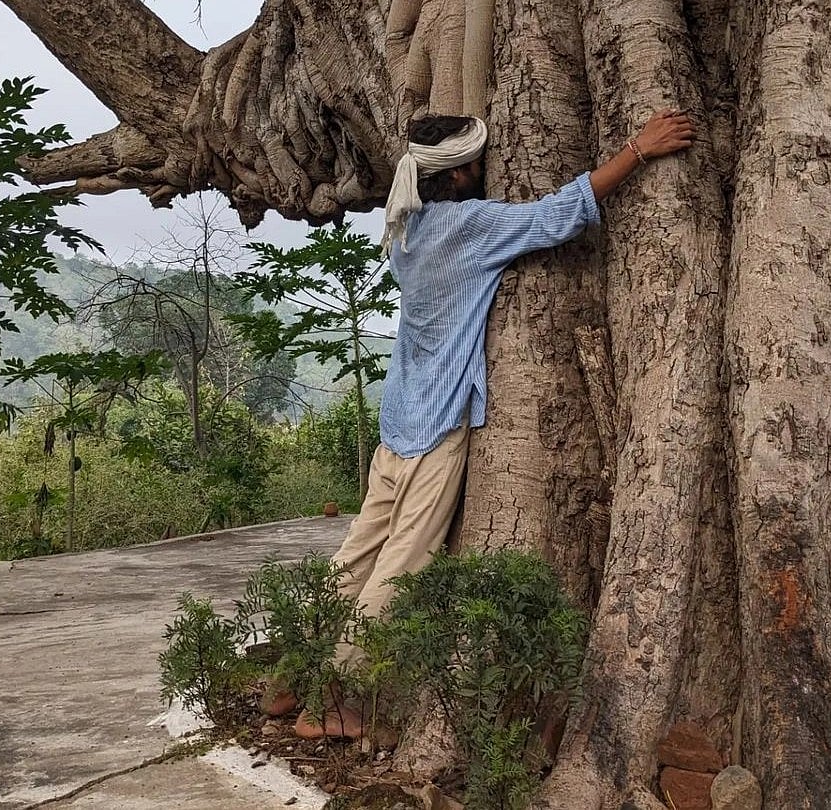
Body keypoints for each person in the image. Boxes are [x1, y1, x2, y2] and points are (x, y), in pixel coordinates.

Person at [278, 108, 696, 740]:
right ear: (462, 172)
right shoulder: (467, 226)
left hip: (398, 420)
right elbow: (559, 213)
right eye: (476, 161)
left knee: (355, 555)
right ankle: (335, 697)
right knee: (403, 564)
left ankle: (289, 674)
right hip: (437, 422)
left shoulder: (409, 223)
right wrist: (638, 148)